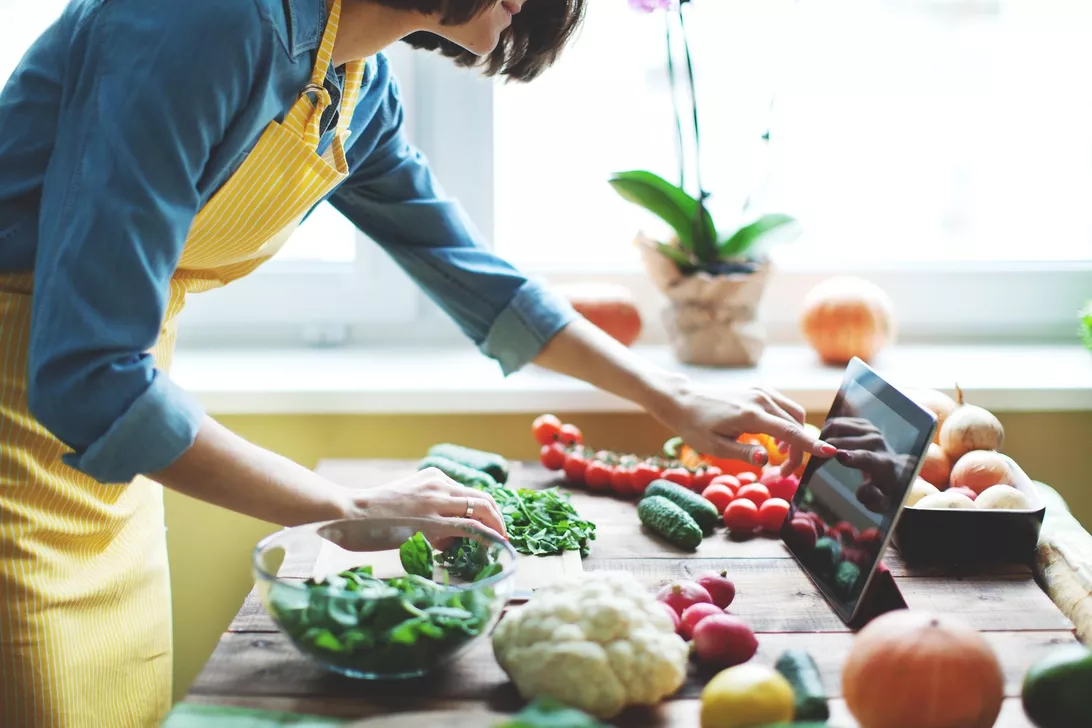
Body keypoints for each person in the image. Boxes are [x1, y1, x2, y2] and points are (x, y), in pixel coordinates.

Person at [0, 0, 835, 725]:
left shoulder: (351, 81)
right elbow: (86, 371)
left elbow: (474, 277)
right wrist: (349, 505)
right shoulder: (204, 19)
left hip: (109, 455)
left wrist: (673, 395)